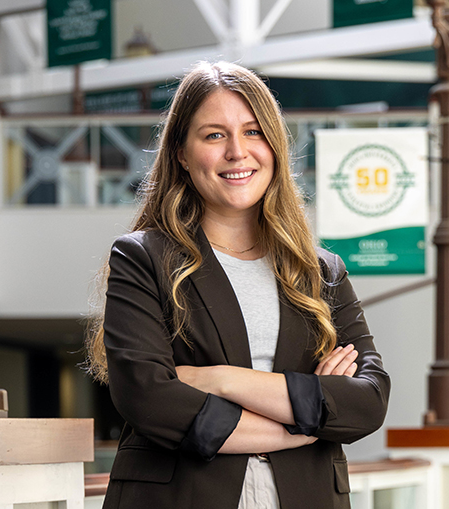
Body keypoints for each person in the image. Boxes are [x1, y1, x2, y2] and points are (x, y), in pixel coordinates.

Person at [85, 61, 390, 509]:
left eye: (253, 132)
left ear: (275, 147)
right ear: (182, 155)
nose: (237, 152)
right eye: (214, 135)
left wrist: (222, 381)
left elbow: (367, 400)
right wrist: (306, 424)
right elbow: (149, 399)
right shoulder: (143, 257)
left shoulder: (323, 271)